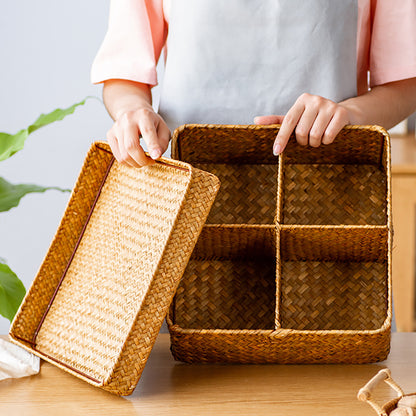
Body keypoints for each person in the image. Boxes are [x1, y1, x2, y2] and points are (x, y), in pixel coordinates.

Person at [91, 0, 416, 168]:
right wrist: (132, 111)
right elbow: (125, 72)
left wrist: (350, 114)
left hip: (321, 187)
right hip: (182, 187)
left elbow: (406, 82)